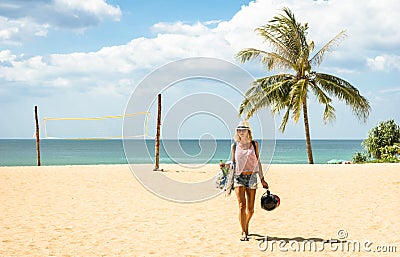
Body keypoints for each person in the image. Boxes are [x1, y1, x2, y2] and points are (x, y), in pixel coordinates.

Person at [232, 120, 268, 241]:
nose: (241, 131)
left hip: (252, 176)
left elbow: (258, 162)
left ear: (248, 131)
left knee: (251, 209)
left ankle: (245, 225)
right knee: (242, 205)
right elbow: (233, 163)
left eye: (243, 129)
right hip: (238, 177)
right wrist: (225, 167)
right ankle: (244, 232)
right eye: (239, 129)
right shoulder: (234, 146)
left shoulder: (254, 144)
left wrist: (262, 179)